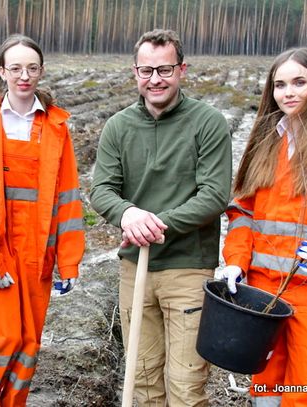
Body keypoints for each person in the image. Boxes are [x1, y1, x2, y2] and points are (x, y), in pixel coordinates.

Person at [90, 29, 232, 406]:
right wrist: (128, 212)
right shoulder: (119, 127)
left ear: (182, 70)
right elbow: (102, 189)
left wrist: (152, 225)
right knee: (143, 380)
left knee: (185, 384)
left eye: (165, 69)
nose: (155, 79)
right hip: (134, 270)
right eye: (146, 70)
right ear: (135, 72)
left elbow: (215, 195)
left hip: (187, 269)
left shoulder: (208, 122)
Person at [0, 34, 85, 406]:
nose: (23, 76)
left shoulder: (57, 127)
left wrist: (68, 260)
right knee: (0, 338)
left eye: (31, 68)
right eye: (15, 68)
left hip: (37, 251)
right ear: (1, 72)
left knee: (28, 340)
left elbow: (68, 195)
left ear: (41, 71)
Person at [216, 47, 307, 406]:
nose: (288, 92)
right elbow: (243, 211)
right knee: (266, 393)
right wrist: (235, 261)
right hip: (262, 298)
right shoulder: (265, 141)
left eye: (299, 82)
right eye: (280, 84)